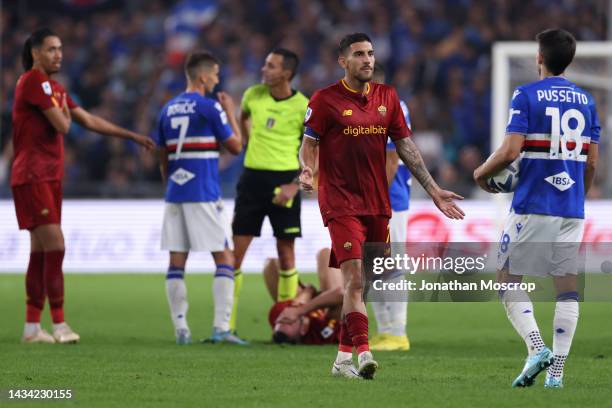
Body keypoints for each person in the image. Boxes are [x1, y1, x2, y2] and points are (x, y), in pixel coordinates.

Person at [299, 33, 464, 379]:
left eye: (370, 54)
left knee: (364, 282)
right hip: (340, 202)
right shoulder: (325, 100)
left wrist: (433, 190)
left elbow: (406, 149)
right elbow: (309, 144)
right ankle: (364, 354)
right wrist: (306, 168)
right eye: (359, 54)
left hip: (377, 204)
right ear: (343, 61)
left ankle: (341, 360)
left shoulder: (388, 98)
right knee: (355, 280)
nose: (367, 60)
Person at [474, 29, 600, 389]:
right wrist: (578, 196)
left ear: (539, 58)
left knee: (507, 278)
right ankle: (556, 374)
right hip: (571, 206)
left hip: (534, 204)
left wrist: (481, 173)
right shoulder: (587, 101)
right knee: (567, 287)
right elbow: (591, 163)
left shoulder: (526, 95)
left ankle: (536, 348)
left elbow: (511, 151)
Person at [12, 28, 155, 344]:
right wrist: (63, 111)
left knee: (40, 251)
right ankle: (60, 324)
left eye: (60, 49)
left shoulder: (55, 87)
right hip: (33, 175)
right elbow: (64, 125)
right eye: (51, 49)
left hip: (48, 176)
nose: (58, 54)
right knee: (57, 246)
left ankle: (32, 327)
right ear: (35, 53)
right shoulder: (35, 82)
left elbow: (88, 120)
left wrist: (130, 136)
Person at [155, 50, 246, 345]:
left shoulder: (166, 109)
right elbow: (235, 146)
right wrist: (230, 111)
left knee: (176, 260)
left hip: (175, 193)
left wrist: (170, 183)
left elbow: (161, 156)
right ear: (204, 76)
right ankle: (221, 328)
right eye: (216, 74)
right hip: (204, 193)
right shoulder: (209, 107)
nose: (217, 79)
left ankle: (180, 327)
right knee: (224, 257)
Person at [231, 48, 309, 333]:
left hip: (285, 180)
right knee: (234, 256)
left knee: (286, 254)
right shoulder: (252, 95)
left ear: (286, 73)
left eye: (271, 66)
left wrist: (294, 185)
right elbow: (243, 118)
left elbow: (315, 153)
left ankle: (285, 322)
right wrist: (249, 143)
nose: (264, 69)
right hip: (251, 181)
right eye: (265, 64)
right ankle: (225, 326)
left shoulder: (303, 106)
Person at [370, 63, 412, 352]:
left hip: (389, 199)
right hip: (365, 200)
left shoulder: (392, 106)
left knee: (391, 265)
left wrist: (375, 197)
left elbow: (392, 160)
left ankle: (398, 332)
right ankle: (384, 331)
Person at [265, 249, 345, 349]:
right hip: (333, 307)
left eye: (281, 320)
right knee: (326, 254)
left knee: (271, 264)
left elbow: (309, 290)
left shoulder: (280, 316)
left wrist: (308, 292)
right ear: (304, 328)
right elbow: (342, 294)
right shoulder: (320, 333)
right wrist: (300, 310)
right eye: (289, 321)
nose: (284, 317)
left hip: (309, 302)